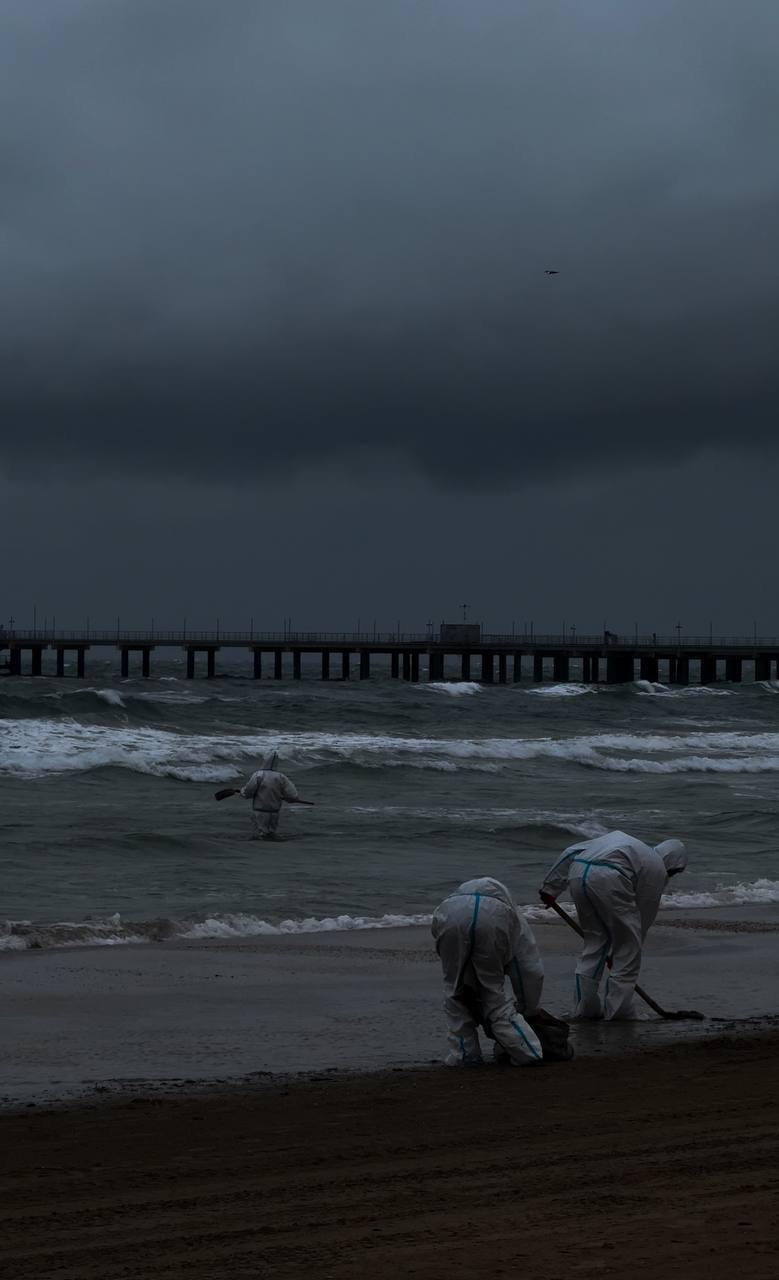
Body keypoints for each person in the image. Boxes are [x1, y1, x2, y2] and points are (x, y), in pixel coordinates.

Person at [539, 830, 687, 1020]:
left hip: (578, 872)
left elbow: (570, 852)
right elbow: (641, 917)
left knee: (594, 943)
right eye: (674, 871)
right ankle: (618, 1013)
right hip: (611, 876)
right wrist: (622, 949)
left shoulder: (628, 844)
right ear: (672, 864)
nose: (671, 875)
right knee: (628, 950)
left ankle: (585, 1010)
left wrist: (550, 888)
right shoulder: (656, 868)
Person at [431, 877, 545, 1067]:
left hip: (449, 914)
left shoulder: (451, 902)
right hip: (492, 918)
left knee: (454, 989)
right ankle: (527, 1052)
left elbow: (443, 946)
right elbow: (528, 969)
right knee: (493, 993)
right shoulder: (512, 915)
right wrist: (528, 1009)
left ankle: (465, 1055)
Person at [239, 750, 311, 839]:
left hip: (259, 812)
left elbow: (248, 791)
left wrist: (242, 792)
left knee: (260, 834)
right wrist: (291, 799)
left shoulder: (258, 775)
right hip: (274, 813)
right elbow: (292, 794)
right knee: (271, 833)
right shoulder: (281, 777)